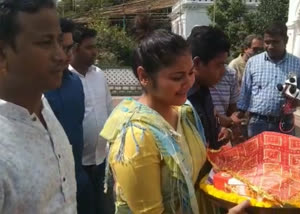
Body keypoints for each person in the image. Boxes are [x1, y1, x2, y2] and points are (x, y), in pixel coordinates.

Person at [100, 17, 249, 214]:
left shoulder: (184, 113)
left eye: (190, 73)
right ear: (144, 76)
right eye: (177, 77)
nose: (187, 83)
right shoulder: (136, 138)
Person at [0, 0, 76, 213]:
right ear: (3, 53)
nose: (61, 55)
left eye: (59, 42)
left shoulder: (44, 108)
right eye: (45, 43)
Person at [45, 18, 94, 214]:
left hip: (79, 178)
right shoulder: (38, 88)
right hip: (51, 188)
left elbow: (77, 124)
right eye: (59, 48)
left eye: (68, 48)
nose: (64, 55)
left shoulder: (75, 83)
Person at [237, 22, 300, 138]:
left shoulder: (298, 64)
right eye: (267, 42)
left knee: (283, 156)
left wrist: (294, 98)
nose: (270, 46)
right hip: (257, 123)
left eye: (275, 42)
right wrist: (238, 120)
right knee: (258, 155)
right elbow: (244, 94)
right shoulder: (253, 62)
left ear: (285, 41)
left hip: (284, 123)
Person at [70, 25, 114, 214]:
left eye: (95, 47)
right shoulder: (66, 79)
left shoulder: (99, 75)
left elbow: (108, 109)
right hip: (78, 164)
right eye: (89, 47)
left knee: (104, 207)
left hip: (102, 159)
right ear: (75, 48)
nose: (94, 52)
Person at [187, 26, 233, 150]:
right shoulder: (181, 101)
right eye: (219, 65)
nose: (223, 71)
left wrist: (220, 130)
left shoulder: (204, 90)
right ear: (197, 63)